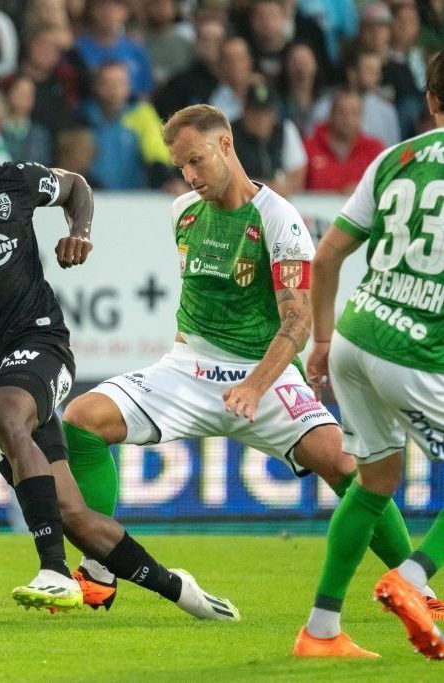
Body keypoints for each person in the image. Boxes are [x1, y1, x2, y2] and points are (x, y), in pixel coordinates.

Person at [0, 103, 239, 619]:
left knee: (8, 412)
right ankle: (181, 591)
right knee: (72, 514)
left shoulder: (11, 182)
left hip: (40, 342)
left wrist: (80, 230)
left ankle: (54, 571)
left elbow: (76, 185)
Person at [61, 103, 419, 613]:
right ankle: (99, 569)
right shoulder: (183, 212)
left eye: (196, 160)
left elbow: (297, 321)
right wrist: (188, 361)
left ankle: (418, 590)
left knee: (347, 465)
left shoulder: (279, 219)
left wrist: (254, 385)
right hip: (188, 369)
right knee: (81, 419)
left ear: (225, 145)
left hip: (263, 376)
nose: (189, 176)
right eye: (181, 166)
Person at [292, 49, 444, 660]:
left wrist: (322, 339)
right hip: (412, 349)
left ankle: (320, 630)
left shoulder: (394, 158)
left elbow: (327, 255)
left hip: (355, 336)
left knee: (376, 479)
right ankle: (412, 579)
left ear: (430, 101)